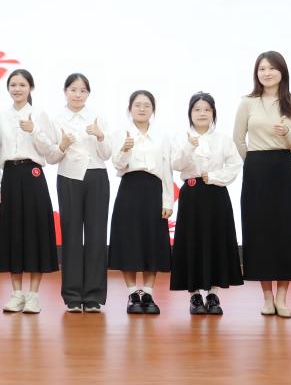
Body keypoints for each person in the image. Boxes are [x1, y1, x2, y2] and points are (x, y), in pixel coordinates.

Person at [233, 51, 291, 318]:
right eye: (262, 69)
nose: (267, 73)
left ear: (282, 72)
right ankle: (266, 298)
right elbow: (238, 139)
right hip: (256, 170)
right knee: (259, 231)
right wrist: (253, 162)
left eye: (272, 68)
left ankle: (282, 298)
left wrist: (286, 133)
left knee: (286, 232)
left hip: (284, 168)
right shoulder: (248, 102)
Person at [42, 73, 112, 313]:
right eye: (73, 89)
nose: (78, 94)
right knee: (71, 234)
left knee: (96, 235)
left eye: (83, 90)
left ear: (88, 94)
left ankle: (93, 296)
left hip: (97, 176)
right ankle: (72, 295)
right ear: (65, 92)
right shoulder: (55, 119)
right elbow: (51, 157)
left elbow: (107, 154)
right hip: (69, 177)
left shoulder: (98, 117)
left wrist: (100, 136)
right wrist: (62, 145)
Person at [0, 69, 58, 315]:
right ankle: (16, 294)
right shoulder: (0, 116)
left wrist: (34, 130)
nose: (17, 89)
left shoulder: (40, 114)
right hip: (10, 174)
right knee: (13, 234)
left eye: (22, 85)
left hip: (33, 174)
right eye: (13, 85)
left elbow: (50, 151)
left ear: (30, 88)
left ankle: (33, 296)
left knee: (35, 233)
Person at [169, 92, 244, 315]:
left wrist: (214, 177)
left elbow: (235, 164)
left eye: (207, 109)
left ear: (213, 113)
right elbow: (175, 164)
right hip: (191, 194)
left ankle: (213, 295)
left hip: (216, 193)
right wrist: (189, 147)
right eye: (197, 109)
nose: (202, 113)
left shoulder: (223, 139)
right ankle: (194, 296)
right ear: (190, 113)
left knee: (216, 241)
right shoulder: (181, 138)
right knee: (191, 241)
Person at [108, 90, 173, 315]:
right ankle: (132, 294)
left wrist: (168, 201)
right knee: (129, 241)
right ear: (130, 108)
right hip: (130, 189)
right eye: (137, 105)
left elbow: (167, 169)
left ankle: (148, 293)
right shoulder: (120, 133)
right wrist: (125, 149)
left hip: (154, 189)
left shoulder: (162, 136)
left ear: (153, 109)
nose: (142, 109)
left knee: (151, 242)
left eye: (147, 105)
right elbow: (118, 165)